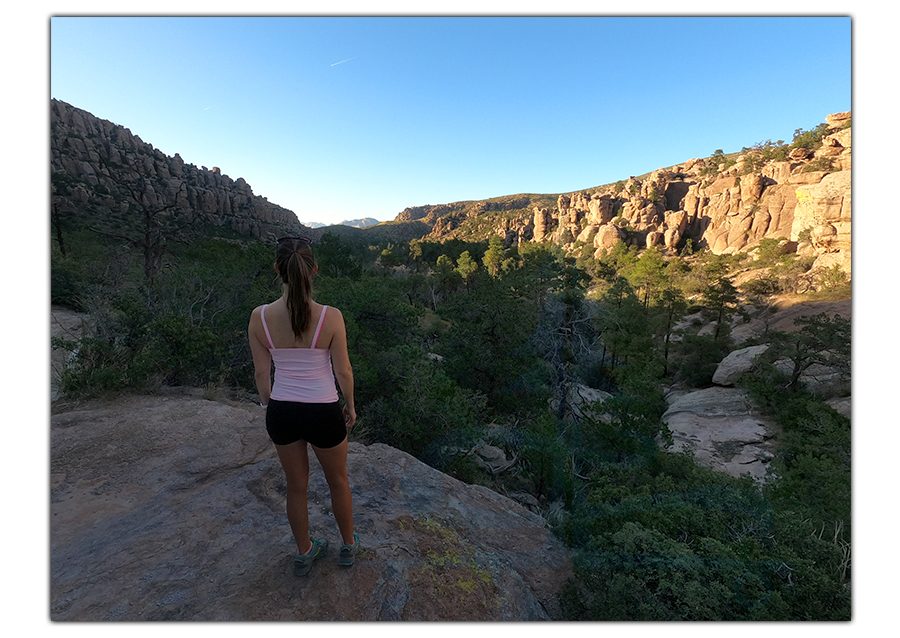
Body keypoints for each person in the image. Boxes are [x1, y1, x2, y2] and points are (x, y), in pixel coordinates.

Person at [248, 236, 359, 577]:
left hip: (283, 411)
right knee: (338, 481)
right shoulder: (331, 317)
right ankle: (348, 546)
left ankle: (304, 551)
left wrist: (272, 405)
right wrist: (350, 406)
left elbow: (261, 373)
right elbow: (343, 370)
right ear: (314, 270)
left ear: (277, 269)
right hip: (322, 411)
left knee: (296, 486)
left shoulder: (260, 317)